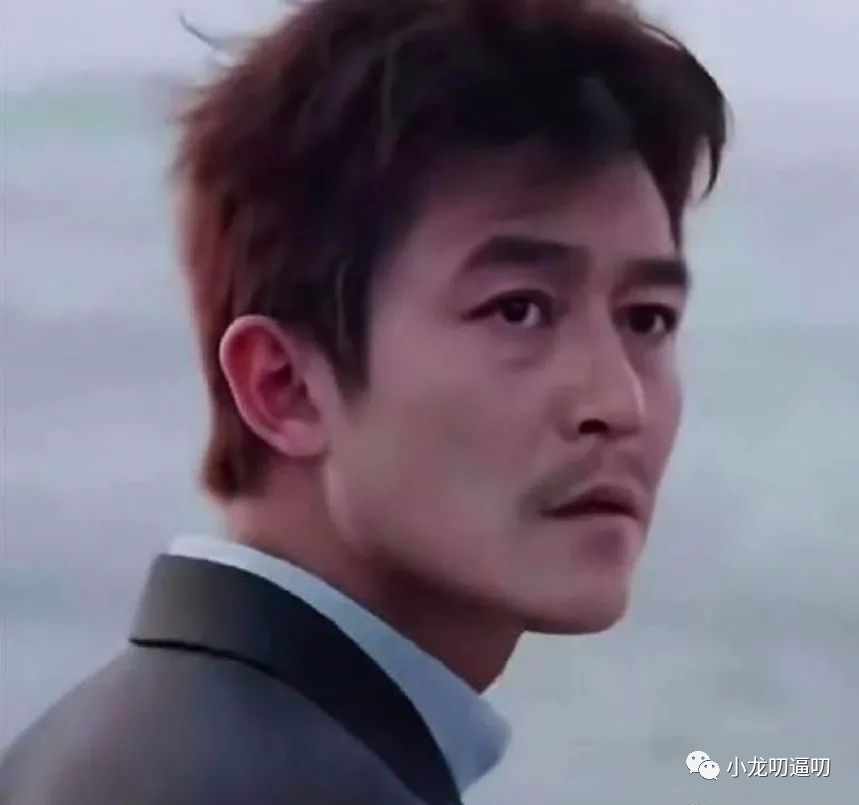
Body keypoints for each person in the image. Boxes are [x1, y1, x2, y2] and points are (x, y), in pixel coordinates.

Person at [0, 0, 728, 802]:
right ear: (283, 387)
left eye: (646, 319)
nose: (618, 402)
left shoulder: (98, 747)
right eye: (518, 309)